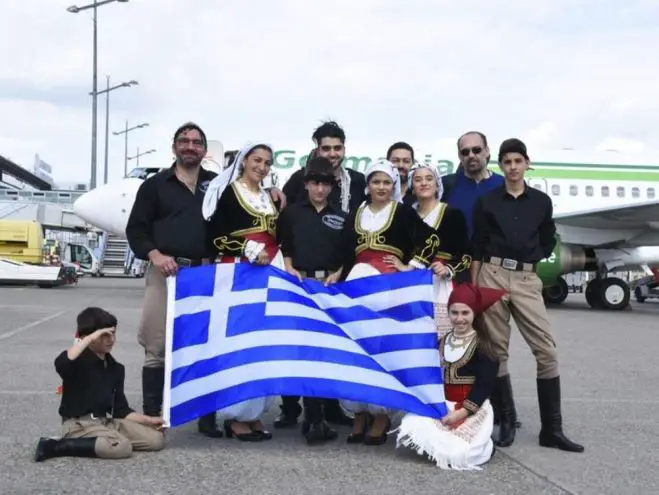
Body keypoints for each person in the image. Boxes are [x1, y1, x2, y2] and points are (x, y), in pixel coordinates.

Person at [126, 123, 286, 438]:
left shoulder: (216, 185)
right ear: (174, 147)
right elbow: (136, 230)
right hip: (166, 271)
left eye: (196, 142)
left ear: (203, 150)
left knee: (207, 343)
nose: (190, 147)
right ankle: (151, 417)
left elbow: (240, 209)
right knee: (157, 343)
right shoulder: (155, 185)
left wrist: (273, 191)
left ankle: (206, 417)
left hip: (206, 273)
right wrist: (155, 255)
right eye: (184, 141)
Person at [471, 138, 584, 453]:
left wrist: (532, 258)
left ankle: (552, 429)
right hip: (491, 274)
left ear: (526, 163)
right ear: (501, 166)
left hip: (526, 277)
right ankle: (506, 421)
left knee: (545, 349)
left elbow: (548, 237)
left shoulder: (541, 202)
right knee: (496, 350)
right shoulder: (488, 202)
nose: (512, 167)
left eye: (517, 161)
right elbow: (478, 243)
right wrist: (477, 282)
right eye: (506, 162)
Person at [339, 158, 442, 445]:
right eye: (376, 181)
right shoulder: (357, 212)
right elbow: (346, 250)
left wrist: (410, 265)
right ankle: (358, 411)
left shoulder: (401, 212)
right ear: (368, 185)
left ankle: (381, 413)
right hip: (356, 286)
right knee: (357, 348)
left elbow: (431, 240)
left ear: (394, 185)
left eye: (387, 182)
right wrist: (338, 274)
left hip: (387, 287)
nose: (381, 187)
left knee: (383, 347)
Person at [203, 142, 285, 441]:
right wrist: (248, 248)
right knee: (238, 343)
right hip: (239, 274)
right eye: (256, 160)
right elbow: (213, 237)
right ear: (243, 161)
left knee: (262, 344)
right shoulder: (229, 193)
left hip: (267, 273)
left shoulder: (268, 197)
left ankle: (253, 415)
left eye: (267, 162)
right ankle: (235, 416)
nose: (261, 167)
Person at [274, 156, 352, 443]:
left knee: (324, 351)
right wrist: (289, 266)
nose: (319, 189)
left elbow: (348, 254)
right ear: (306, 184)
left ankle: (320, 412)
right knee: (299, 349)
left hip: (328, 286)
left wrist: (339, 273)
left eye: (325, 184)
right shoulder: (292, 213)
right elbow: (283, 245)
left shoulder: (342, 218)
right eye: (315, 183)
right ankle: (307, 413)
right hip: (299, 284)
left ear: (332, 187)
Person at [395, 283, 506, 470]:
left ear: (475, 314)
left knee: (459, 455)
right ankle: (441, 445)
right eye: (454, 313)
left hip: (470, 408)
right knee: (411, 425)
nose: (459, 319)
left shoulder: (485, 348)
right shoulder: (442, 341)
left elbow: (483, 388)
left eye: (465, 313)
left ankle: (484, 446)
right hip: (442, 405)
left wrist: (461, 413)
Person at [34, 307, 165, 462]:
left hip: (105, 423)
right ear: (87, 336)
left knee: (156, 440)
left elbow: (121, 410)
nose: (111, 340)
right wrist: (88, 339)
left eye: (113, 333)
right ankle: (56, 446)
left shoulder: (116, 368)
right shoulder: (76, 361)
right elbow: (62, 363)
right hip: (78, 425)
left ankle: (106, 439)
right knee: (121, 447)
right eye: (104, 335)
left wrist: (150, 421)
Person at [407, 163, 472, 336]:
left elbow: (465, 254)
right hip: (411, 280)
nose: (424, 183)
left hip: (440, 282)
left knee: (440, 336)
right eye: (418, 180)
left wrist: (447, 269)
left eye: (429, 179)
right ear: (411, 186)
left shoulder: (452, 214)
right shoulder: (405, 215)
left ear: (437, 185)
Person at [282, 120, 366, 213]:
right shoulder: (300, 179)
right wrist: (270, 190)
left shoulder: (358, 181)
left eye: (337, 148)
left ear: (344, 149)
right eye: (326, 148)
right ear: (317, 150)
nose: (332, 154)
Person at [440, 131, 505, 237]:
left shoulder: (503, 184)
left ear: (487, 151)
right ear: (459, 156)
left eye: (476, 150)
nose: (471, 155)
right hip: (456, 252)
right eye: (465, 152)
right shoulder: (445, 185)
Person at [386, 141, 416, 205]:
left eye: (406, 161)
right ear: (387, 163)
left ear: (413, 164)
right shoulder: (376, 194)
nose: (401, 165)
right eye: (395, 161)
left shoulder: (420, 195)